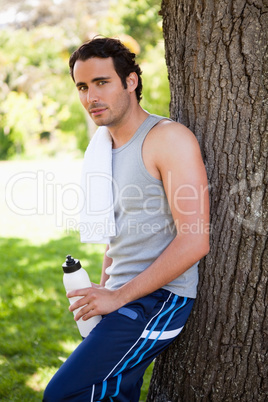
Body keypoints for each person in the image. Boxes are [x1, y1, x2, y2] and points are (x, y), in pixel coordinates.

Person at [43, 37, 210, 401]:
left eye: (102, 82)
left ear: (130, 81)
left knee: (63, 394)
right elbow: (116, 233)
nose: (90, 97)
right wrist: (104, 293)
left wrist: (116, 297)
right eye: (83, 87)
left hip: (162, 301)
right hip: (122, 298)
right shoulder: (103, 149)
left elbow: (195, 240)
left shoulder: (168, 139)